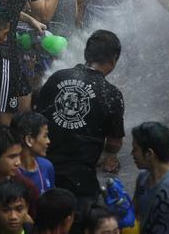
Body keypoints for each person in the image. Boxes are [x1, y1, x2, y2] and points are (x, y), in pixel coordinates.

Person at [37, 30, 124, 207]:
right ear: (114, 59)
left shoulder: (57, 78)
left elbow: (38, 118)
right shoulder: (111, 93)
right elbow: (114, 143)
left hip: (46, 173)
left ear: (86, 54)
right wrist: (107, 153)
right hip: (82, 181)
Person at [11, 112, 55, 195]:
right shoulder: (10, 171)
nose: (48, 141)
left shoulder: (47, 166)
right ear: (29, 140)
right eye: (45, 136)